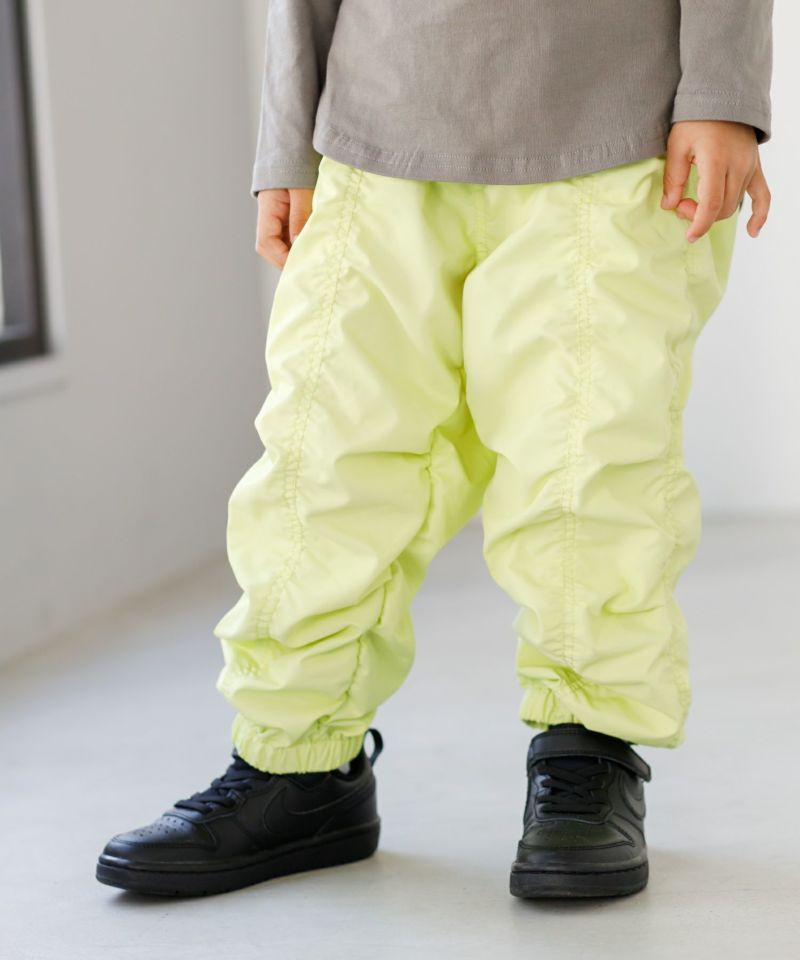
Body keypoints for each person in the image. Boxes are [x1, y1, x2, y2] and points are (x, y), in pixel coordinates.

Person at [96, 0, 773, 899]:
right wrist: (287, 142)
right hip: (375, 126)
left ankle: (589, 750)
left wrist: (722, 93)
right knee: (325, 460)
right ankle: (297, 767)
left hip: (618, 124)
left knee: (587, 463)